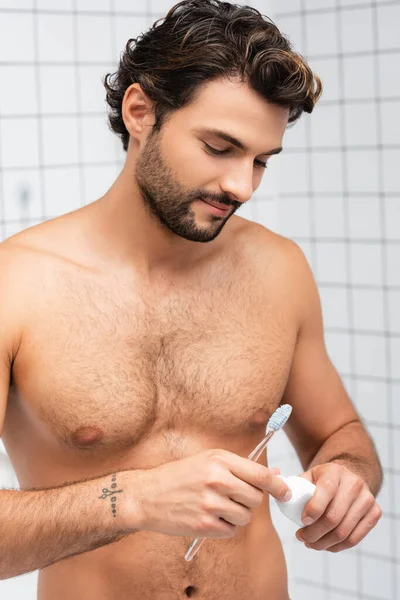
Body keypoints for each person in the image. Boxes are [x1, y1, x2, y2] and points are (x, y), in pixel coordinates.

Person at [0, 1, 382, 598]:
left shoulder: (279, 270)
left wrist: (347, 478)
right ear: (140, 112)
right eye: (219, 147)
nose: (242, 186)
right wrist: (132, 499)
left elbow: (341, 433)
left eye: (261, 161)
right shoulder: (15, 284)